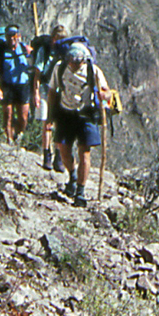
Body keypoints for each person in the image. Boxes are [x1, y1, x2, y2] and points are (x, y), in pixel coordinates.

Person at [48, 42, 110, 207]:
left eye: (78, 61)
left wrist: (103, 95)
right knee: (63, 149)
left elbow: (107, 92)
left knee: (85, 153)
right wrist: (50, 116)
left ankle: (80, 192)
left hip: (86, 115)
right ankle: (73, 176)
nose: (74, 64)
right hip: (65, 113)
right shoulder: (59, 68)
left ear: (84, 60)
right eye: (71, 60)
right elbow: (52, 91)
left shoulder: (94, 71)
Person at [32, 24, 67, 170]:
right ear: (53, 38)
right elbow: (37, 74)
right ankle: (47, 155)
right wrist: (36, 93)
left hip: (60, 91)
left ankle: (58, 157)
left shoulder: (64, 53)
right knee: (47, 123)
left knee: (59, 124)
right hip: (46, 88)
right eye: (58, 38)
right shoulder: (44, 51)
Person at [0, 25, 32, 145]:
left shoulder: (25, 49)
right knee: (8, 115)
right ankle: (9, 140)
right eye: (9, 36)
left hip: (23, 86)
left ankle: (18, 135)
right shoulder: (1, 51)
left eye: (14, 36)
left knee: (23, 117)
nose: (12, 39)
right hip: (8, 85)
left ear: (18, 36)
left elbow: (36, 65)